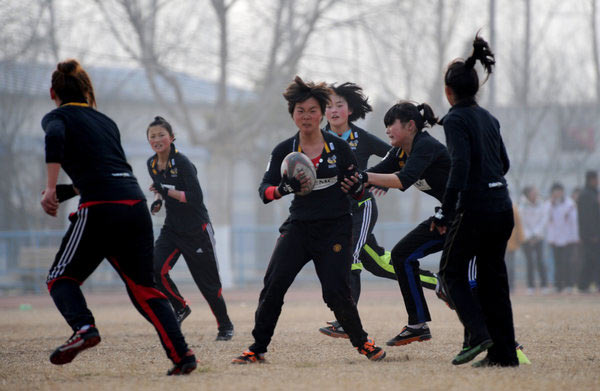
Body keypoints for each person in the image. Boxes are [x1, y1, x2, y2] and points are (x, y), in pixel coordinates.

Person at [40, 59, 196, 375]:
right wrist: (65, 192)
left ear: (52, 92)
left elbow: (54, 139)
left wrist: (48, 188)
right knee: (146, 289)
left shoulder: (57, 116)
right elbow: (108, 169)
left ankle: (83, 327)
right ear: (86, 90)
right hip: (133, 203)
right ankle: (183, 357)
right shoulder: (105, 121)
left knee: (60, 278)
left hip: (100, 207)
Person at [231, 76, 386, 364]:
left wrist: (356, 187)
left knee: (336, 292)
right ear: (292, 114)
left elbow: (358, 186)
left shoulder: (339, 149)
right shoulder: (284, 151)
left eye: (313, 110)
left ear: (322, 113)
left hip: (335, 228)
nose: (307, 116)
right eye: (300, 110)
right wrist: (281, 189)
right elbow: (264, 191)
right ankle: (257, 348)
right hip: (299, 227)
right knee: (273, 284)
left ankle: (363, 342)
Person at [319, 83, 440, 339]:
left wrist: (382, 180)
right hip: (336, 216)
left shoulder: (362, 138)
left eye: (339, 105)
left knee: (348, 256)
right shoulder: (317, 140)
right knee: (380, 265)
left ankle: (345, 320)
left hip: (361, 209)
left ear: (350, 109)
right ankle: (436, 283)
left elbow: (396, 162)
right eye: (328, 106)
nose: (334, 110)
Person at [434, 34, 519, 367]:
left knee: (450, 272)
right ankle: (504, 355)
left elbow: (460, 166)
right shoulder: (489, 118)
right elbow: (506, 164)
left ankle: (478, 333)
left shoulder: (455, 119)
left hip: (477, 209)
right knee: (493, 282)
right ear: (475, 88)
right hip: (503, 207)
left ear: (448, 91)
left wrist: (445, 210)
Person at [340, 101, 452, 346]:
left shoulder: (425, 146)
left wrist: (364, 177)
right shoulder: (401, 151)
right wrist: (350, 180)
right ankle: (417, 325)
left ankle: (501, 341)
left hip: (469, 217)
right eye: (386, 125)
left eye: (392, 124)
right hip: (446, 216)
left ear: (411, 126)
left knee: (463, 285)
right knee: (402, 255)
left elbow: (403, 180)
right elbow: (378, 170)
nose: (388, 129)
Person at [146, 116, 234, 340]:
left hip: (197, 230)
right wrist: (158, 200)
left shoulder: (183, 162)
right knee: (154, 269)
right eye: (152, 136)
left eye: (161, 135)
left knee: (208, 285)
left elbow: (195, 198)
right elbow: (162, 189)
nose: (157, 139)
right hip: (172, 229)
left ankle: (225, 327)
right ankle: (180, 307)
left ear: (171, 137)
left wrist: (164, 192)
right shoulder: (152, 164)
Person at [545, 182, 579, 293]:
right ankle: (558, 285)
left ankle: (569, 284)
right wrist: (551, 204)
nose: (557, 193)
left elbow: (574, 222)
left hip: (568, 238)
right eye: (555, 191)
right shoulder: (549, 204)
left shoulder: (569, 204)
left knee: (567, 262)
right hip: (555, 239)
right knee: (557, 262)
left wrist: (575, 237)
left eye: (559, 191)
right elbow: (546, 219)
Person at [519, 186, 549, 294]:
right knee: (530, 262)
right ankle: (530, 286)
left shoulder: (542, 204)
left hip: (539, 238)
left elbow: (544, 220)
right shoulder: (522, 206)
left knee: (541, 260)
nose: (535, 193)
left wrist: (536, 234)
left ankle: (544, 285)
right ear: (527, 194)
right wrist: (529, 236)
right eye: (532, 192)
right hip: (527, 239)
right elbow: (522, 222)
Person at [577, 170, 600, 292]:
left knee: (592, 260)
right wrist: (592, 234)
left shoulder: (594, 193)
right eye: (596, 179)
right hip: (590, 235)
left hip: (595, 233)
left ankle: (585, 285)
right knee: (591, 260)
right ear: (591, 180)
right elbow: (586, 217)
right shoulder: (586, 195)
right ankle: (584, 285)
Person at [506, 203, 525, 291]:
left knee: (510, 266)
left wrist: (520, 239)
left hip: (510, 243)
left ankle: (511, 285)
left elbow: (518, 224)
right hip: (497, 244)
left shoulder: (513, 208)